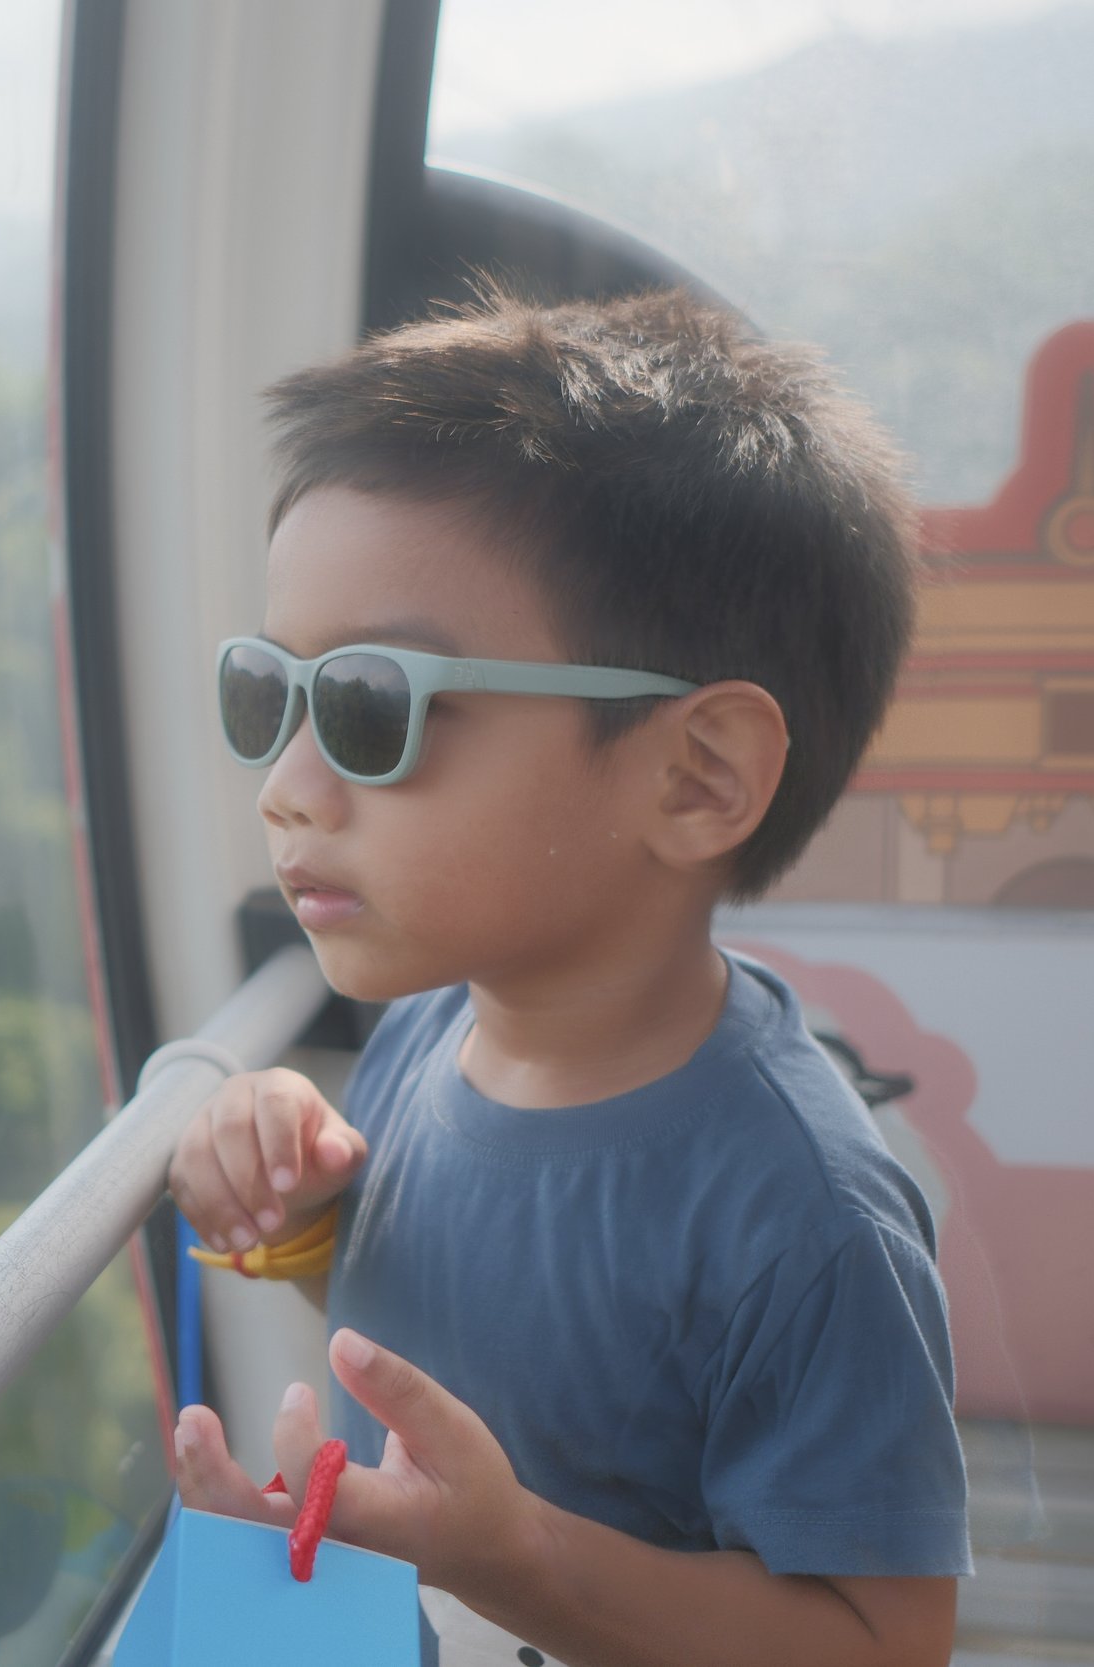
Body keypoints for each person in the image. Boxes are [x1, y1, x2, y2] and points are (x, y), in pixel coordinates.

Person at [165, 285, 968, 1666]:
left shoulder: (803, 1218)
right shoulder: (428, 1035)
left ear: (697, 776)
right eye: (269, 697)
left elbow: (884, 1642)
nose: (286, 793)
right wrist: (312, 1229)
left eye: (372, 709)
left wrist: (520, 1561)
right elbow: (485, 1342)